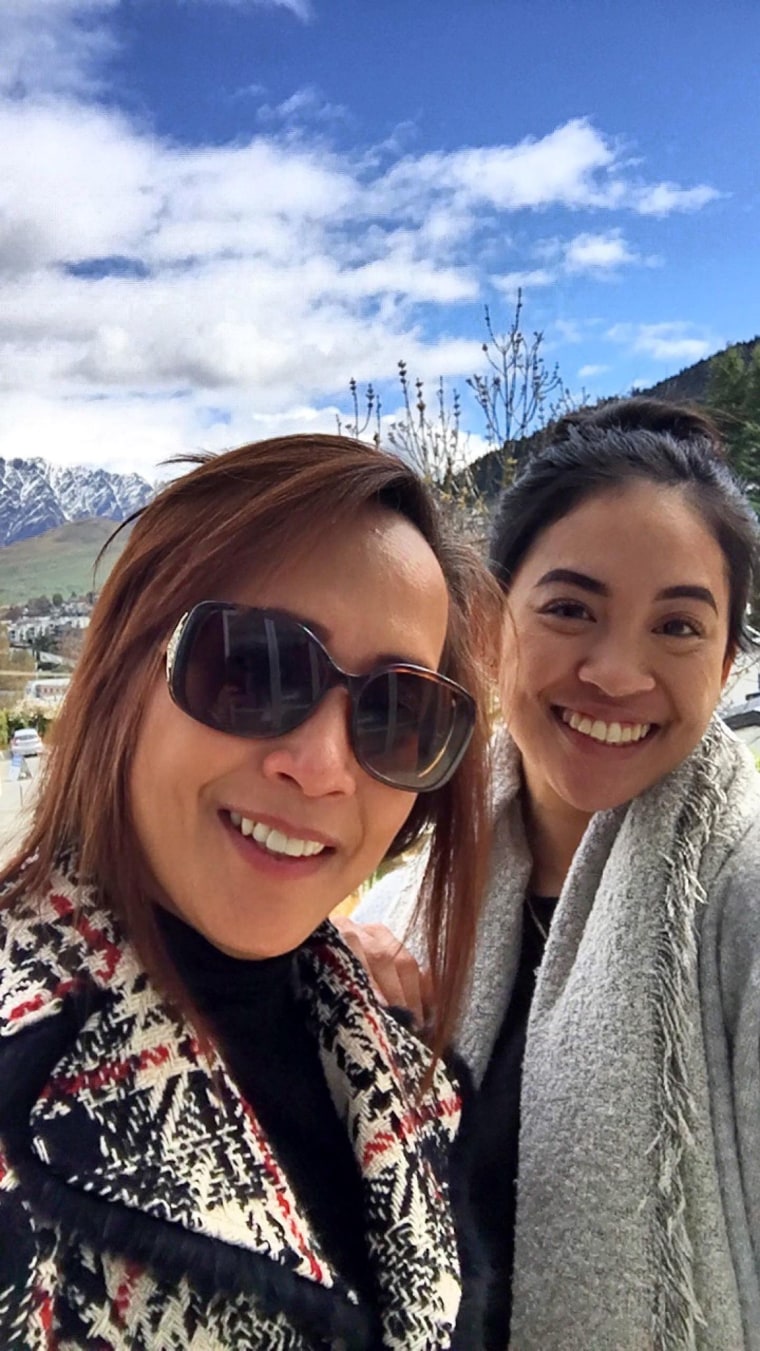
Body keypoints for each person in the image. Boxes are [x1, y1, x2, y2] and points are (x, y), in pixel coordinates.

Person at [0, 432, 500, 1350]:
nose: (321, 767)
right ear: (119, 676)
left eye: (396, 713)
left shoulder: (400, 1070)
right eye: (251, 667)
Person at [349, 398, 760, 1350]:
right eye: (571, 609)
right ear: (490, 624)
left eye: (679, 627)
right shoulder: (408, 908)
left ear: (730, 660)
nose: (618, 673)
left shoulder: (739, 903)